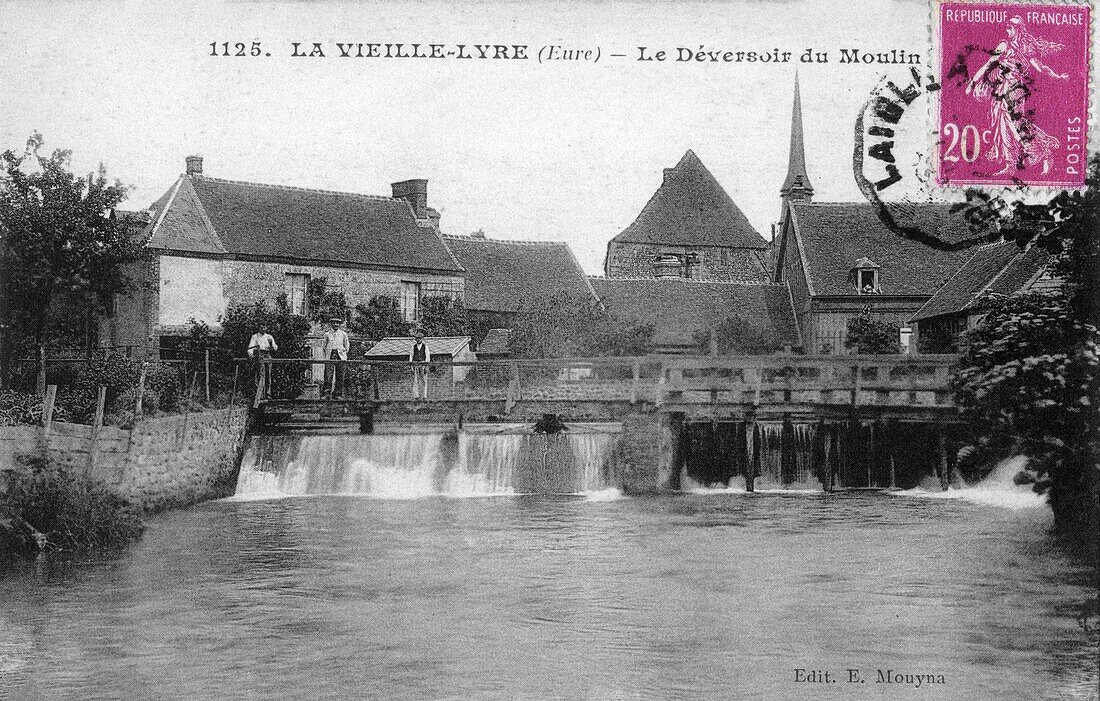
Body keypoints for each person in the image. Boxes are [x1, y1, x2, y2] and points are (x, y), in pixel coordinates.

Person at [965, 16, 1069, 176]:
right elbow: (988, 64)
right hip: (1001, 88)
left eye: (1010, 27)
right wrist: (972, 82)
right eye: (1006, 27)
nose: (1007, 30)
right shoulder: (1003, 45)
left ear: (1018, 29)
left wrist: (1057, 76)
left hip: (1016, 88)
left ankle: (1040, 152)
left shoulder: (1026, 47)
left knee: (1014, 121)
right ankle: (1011, 163)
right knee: (1003, 122)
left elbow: (1040, 67)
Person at [247, 324, 278, 399]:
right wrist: (250, 354)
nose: (263, 329)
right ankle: (259, 394)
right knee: (260, 374)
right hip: (259, 355)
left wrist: (271, 345)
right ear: (259, 328)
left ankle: (268, 393)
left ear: (266, 327)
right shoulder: (255, 336)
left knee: (268, 374)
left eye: (264, 327)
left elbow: (275, 347)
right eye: (261, 327)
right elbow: (250, 347)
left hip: (267, 355)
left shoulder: (269, 337)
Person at [322, 317, 350, 398]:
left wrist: (343, 353)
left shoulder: (343, 334)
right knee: (328, 375)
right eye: (334, 323)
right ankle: (326, 394)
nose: (335, 324)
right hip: (330, 355)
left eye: (337, 323)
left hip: (340, 356)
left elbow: (347, 346)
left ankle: (338, 394)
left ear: (339, 324)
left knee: (340, 375)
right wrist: (328, 353)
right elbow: (324, 346)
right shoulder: (327, 334)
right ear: (331, 324)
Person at [409, 331, 431, 399]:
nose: (418, 339)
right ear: (415, 339)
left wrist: (426, 366)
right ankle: (416, 396)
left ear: (422, 339)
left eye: (420, 338)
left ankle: (424, 395)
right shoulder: (413, 347)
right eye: (417, 338)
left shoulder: (425, 347)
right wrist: (411, 366)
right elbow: (411, 356)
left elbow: (427, 357)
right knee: (415, 380)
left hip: (423, 364)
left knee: (424, 380)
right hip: (415, 364)